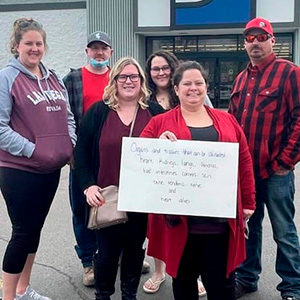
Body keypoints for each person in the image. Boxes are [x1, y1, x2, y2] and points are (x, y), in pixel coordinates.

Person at [140, 60, 255, 300]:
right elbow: (140, 160)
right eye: (187, 83)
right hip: (181, 223)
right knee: (183, 283)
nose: (193, 88)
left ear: (206, 87)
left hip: (220, 223)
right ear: (176, 89)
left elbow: (244, 160)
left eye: (199, 83)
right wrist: (156, 146)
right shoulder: (159, 123)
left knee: (222, 285)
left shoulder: (227, 121)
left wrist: (248, 203)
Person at [73, 57, 164, 300]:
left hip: (142, 198)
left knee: (135, 250)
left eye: (134, 76)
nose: (128, 81)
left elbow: (168, 147)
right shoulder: (99, 112)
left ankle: (129, 295)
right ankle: (103, 295)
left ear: (142, 81)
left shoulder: (154, 112)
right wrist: (88, 186)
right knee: (106, 253)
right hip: (106, 196)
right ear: (114, 81)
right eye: (122, 76)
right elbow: (80, 153)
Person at [0, 18, 76, 300]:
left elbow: (68, 117)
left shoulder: (53, 77)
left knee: (35, 230)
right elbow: (0, 128)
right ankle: (8, 296)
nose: (34, 48)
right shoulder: (7, 77)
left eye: (39, 43)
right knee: (22, 233)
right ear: (17, 45)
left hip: (50, 170)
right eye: (28, 43)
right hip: (19, 171)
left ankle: (23, 289)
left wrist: (70, 143)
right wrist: (33, 150)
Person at [228, 17, 300, 300]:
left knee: (284, 232)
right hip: (247, 172)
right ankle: (247, 278)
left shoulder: (290, 73)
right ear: (245, 44)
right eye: (250, 38)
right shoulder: (241, 78)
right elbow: (233, 124)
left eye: (261, 37)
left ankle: (292, 286)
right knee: (250, 229)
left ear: (273, 41)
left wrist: (285, 162)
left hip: (276, 172)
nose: (255, 42)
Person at [143, 50, 211, 296]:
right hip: (161, 174)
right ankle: (160, 272)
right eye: (154, 69)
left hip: (193, 175)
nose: (160, 72)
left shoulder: (189, 92)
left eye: (164, 68)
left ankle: (195, 274)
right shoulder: (144, 97)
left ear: (173, 71)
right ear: (149, 74)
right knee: (160, 225)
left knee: (194, 227)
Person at [63, 30, 114, 286]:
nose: (99, 53)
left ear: (110, 53)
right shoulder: (72, 79)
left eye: (103, 48)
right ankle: (88, 263)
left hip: (113, 155)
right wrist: (70, 150)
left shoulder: (119, 78)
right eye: (94, 48)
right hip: (82, 156)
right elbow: (63, 118)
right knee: (83, 210)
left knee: (115, 207)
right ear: (86, 52)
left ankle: (117, 254)